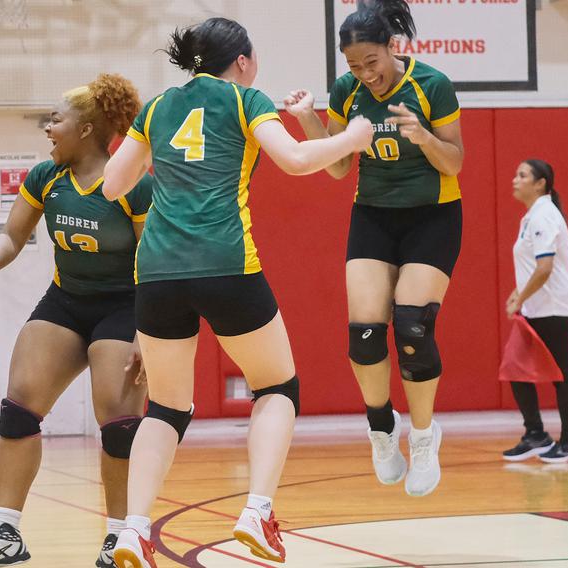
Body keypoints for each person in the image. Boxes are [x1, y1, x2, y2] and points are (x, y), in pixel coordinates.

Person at [101, 17, 373, 568]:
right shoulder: (246, 100)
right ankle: (255, 512)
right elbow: (296, 161)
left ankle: (132, 532)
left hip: (156, 270)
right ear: (243, 61)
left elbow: (112, 186)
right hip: (225, 261)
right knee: (277, 386)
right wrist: (353, 137)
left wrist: (172, 174)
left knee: (166, 407)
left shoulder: (156, 107)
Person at [0, 74, 153, 568]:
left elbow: (155, 261)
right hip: (66, 301)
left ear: (85, 129)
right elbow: (13, 234)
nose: (48, 129)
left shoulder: (129, 184)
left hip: (124, 306)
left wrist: (150, 330)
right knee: (19, 407)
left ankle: (119, 539)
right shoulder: (46, 177)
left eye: (56, 120)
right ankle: (6, 534)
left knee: (119, 423)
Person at [284, 0, 464, 497]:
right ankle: (383, 430)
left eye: (372, 63)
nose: (365, 75)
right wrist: (307, 120)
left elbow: (454, 162)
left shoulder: (432, 84)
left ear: (392, 48)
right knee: (364, 336)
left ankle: (424, 437)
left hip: (433, 216)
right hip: (374, 217)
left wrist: (422, 136)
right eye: (354, 66)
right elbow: (340, 166)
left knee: (412, 325)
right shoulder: (347, 92)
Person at [503, 159, 568, 463]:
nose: (515, 180)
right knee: (515, 369)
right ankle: (535, 434)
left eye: (522, 175)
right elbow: (534, 267)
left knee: (562, 375)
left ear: (541, 183)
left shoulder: (543, 216)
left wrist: (520, 296)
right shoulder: (532, 216)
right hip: (536, 306)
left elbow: (545, 267)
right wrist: (520, 293)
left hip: (553, 308)